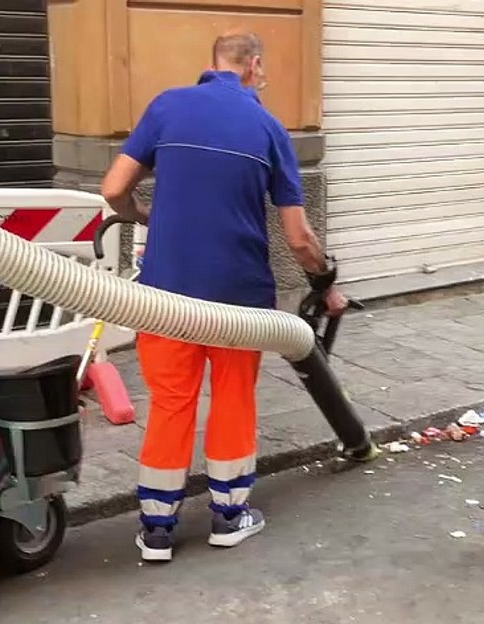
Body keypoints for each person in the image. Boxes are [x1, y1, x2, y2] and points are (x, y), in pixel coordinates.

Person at [101, 31, 348, 562]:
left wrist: (145, 216)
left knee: (171, 402)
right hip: (239, 298)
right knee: (234, 399)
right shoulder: (268, 127)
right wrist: (326, 285)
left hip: (165, 294)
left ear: (212, 64)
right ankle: (229, 517)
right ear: (254, 67)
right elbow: (299, 237)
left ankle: (158, 529)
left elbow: (113, 189)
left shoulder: (167, 106)